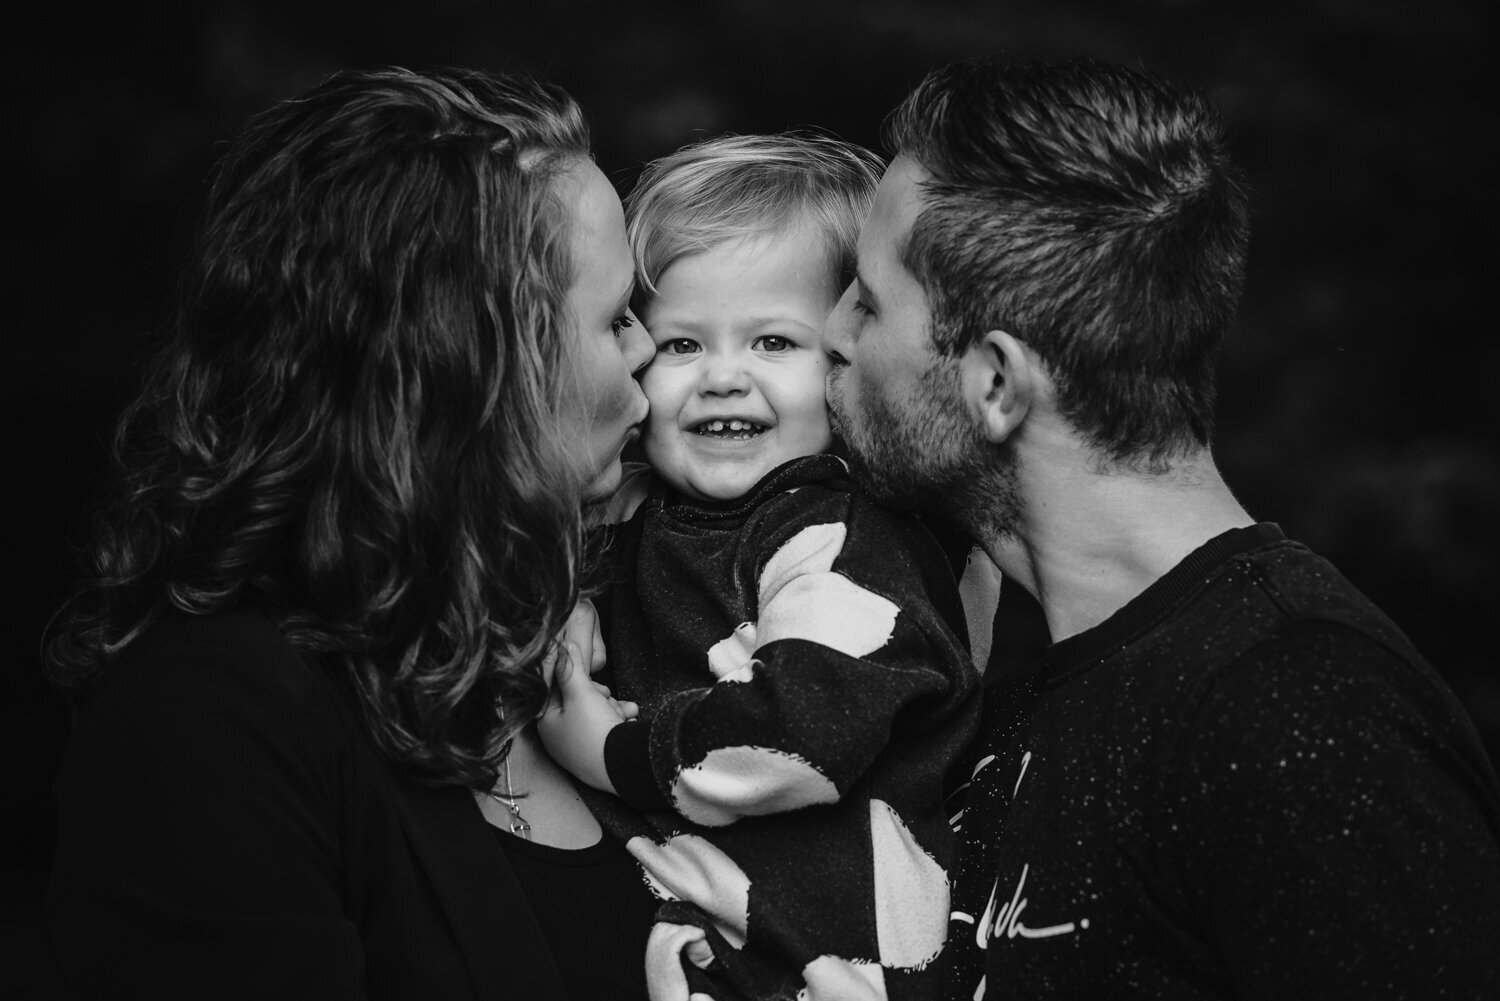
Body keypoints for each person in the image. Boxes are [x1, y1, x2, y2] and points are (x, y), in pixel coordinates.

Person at [817, 56, 1500, 999]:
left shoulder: (1305, 711)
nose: (831, 332)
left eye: (869, 298)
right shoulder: (1021, 697)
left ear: (997, 383)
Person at [44, 67, 661, 1000]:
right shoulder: (214, 726)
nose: (649, 345)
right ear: (470, 367)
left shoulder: (617, 642)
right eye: (615, 318)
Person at [537, 134, 986, 1001]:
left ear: (843, 360)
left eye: (775, 341)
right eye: (681, 345)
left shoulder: (842, 541)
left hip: (851, 956)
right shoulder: (645, 517)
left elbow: (796, 731)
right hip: (726, 940)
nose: (724, 378)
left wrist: (613, 753)